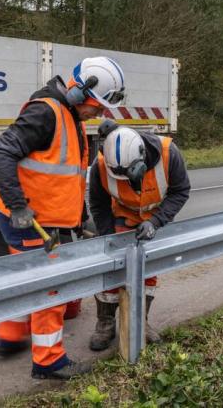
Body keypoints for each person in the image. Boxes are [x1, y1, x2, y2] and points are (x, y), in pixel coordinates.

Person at [0, 56, 126, 379]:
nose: (100, 113)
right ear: (81, 91)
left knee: (25, 276)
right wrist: (18, 206)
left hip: (41, 215)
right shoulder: (46, 112)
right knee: (49, 289)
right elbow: (1, 153)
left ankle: (10, 335)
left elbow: (67, 175)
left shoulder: (69, 115)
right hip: (29, 217)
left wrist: (79, 217)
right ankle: (49, 360)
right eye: (99, 106)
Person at [87, 121, 191, 351]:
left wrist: (156, 221)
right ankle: (105, 323)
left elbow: (181, 191)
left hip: (154, 219)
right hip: (120, 218)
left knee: (148, 274)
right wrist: (108, 237)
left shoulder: (168, 154)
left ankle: (139, 321)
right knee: (110, 272)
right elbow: (98, 203)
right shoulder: (102, 164)